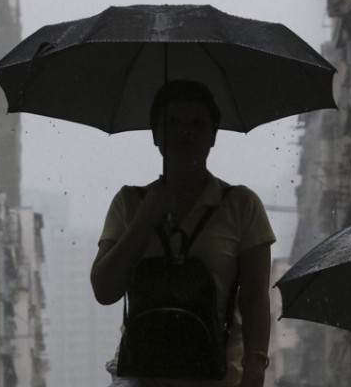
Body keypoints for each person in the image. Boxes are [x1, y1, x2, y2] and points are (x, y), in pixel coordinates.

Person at [91, 80, 276, 387]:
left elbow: (256, 297)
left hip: (218, 375)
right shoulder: (129, 202)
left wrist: (255, 367)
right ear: (155, 134)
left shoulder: (241, 205)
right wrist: (144, 219)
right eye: (172, 122)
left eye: (198, 123)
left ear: (214, 135)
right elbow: (104, 290)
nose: (184, 131)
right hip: (141, 374)